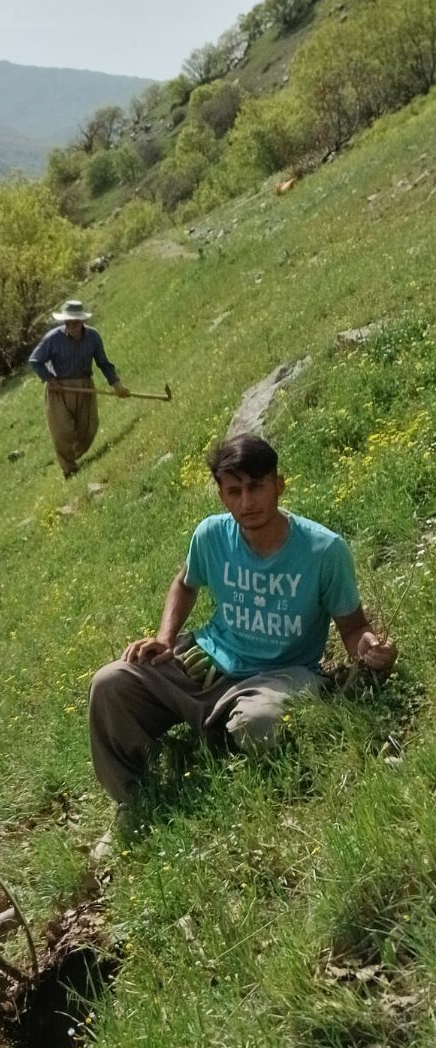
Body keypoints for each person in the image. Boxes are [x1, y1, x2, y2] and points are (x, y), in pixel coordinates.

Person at [89, 434, 397, 809]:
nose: (247, 502)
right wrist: (166, 638)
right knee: (110, 682)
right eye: (234, 491)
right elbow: (185, 585)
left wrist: (367, 647)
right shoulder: (211, 534)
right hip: (203, 663)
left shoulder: (324, 550)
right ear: (221, 496)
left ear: (278, 485)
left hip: (279, 675)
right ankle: (131, 801)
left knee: (259, 721)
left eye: (256, 486)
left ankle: (219, 730)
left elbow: (352, 627)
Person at [28, 298, 130, 478]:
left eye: (75, 322)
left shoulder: (93, 337)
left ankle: (74, 456)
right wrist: (49, 379)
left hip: (85, 386)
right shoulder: (53, 338)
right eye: (67, 322)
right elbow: (35, 361)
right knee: (62, 432)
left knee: (88, 428)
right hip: (59, 389)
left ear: (82, 321)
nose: (71, 326)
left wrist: (117, 385)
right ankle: (69, 469)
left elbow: (104, 363)